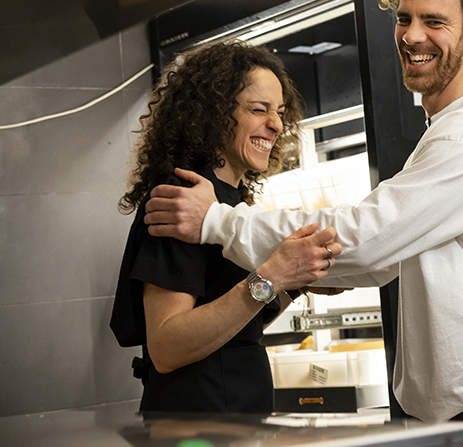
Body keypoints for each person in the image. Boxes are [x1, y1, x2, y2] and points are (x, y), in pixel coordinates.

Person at [145, 0, 463, 445]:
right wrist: (297, 272)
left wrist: (218, 225)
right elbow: (379, 261)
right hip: (453, 413)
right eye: (404, 19)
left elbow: (367, 237)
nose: (412, 35)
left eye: (435, 21)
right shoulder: (448, 131)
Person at [110, 42, 343, 413]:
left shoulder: (230, 203)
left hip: (238, 414)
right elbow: (167, 347)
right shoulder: (183, 201)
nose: (277, 124)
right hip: (196, 423)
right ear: (214, 114)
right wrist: (271, 274)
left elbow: (240, 322)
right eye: (258, 109)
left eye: (280, 112)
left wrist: (297, 280)